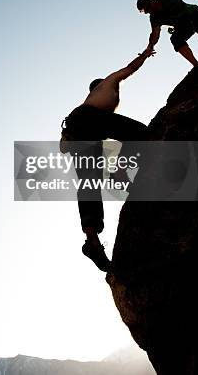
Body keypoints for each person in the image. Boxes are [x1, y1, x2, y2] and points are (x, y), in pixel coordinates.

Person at [60, 49, 154, 272]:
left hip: (77, 130)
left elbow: (67, 148)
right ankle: (119, 172)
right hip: (88, 122)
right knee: (142, 134)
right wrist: (146, 53)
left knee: (89, 184)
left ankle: (91, 238)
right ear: (99, 84)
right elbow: (129, 69)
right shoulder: (107, 84)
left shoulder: (89, 101)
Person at [137, 0, 198, 67]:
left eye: (148, 8)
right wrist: (150, 47)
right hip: (183, 26)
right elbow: (155, 34)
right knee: (175, 39)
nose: (149, 11)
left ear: (153, 0)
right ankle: (196, 65)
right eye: (146, 11)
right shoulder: (154, 17)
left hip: (193, 13)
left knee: (196, 19)